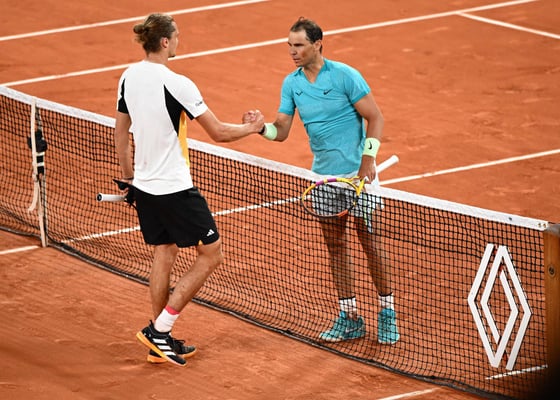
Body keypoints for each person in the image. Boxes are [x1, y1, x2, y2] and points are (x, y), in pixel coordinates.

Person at [114, 13, 264, 366]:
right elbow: (219, 133)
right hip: (174, 188)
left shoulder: (128, 76)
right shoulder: (178, 83)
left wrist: (130, 178)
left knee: (164, 252)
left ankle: (159, 341)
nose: (179, 41)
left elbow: (121, 131)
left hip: (146, 186)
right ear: (165, 41)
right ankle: (160, 330)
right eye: (177, 36)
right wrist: (253, 127)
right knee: (212, 254)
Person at [248, 17, 399, 344]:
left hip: (359, 175)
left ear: (317, 44)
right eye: (290, 46)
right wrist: (262, 128)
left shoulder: (345, 76)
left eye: (299, 45)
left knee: (370, 242)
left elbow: (375, 117)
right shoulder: (292, 84)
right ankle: (350, 317)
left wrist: (368, 159)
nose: (293, 52)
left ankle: (387, 311)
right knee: (335, 245)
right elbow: (281, 131)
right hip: (323, 179)